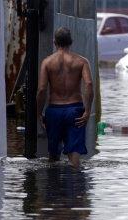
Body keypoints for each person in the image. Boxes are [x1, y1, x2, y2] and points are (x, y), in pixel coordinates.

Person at [36, 27, 94, 166]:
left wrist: (39, 114)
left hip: (54, 111)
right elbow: (89, 84)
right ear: (71, 41)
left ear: (54, 42)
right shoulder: (82, 61)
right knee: (74, 156)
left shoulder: (47, 62)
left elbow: (42, 89)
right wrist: (87, 112)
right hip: (75, 111)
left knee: (53, 156)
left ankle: (54, 186)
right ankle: (74, 184)